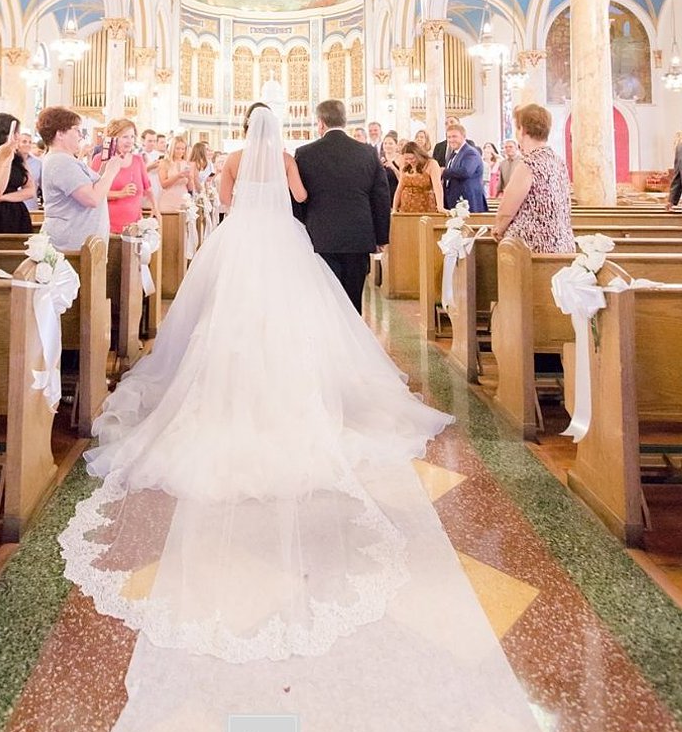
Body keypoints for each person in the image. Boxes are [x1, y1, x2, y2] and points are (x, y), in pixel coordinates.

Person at [60, 102, 453, 662]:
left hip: (240, 239)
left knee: (227, 319)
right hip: (282, 242)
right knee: (293, 317)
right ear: (278, 130)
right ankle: (292, 391)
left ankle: (224, 390)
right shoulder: (289, 157)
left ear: (245, 128)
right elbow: (297, 200)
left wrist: (246, 197)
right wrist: (283, 192)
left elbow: (222, 201)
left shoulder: (236, 158)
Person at [291, 99, 391, 314]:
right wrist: (381, 236)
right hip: (358, 235)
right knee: (353, 298)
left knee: (325, 298)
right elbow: (381, 197)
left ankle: (330, 344)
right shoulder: (367, 152)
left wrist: (302, 230)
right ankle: (355, 343)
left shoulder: (305, 153)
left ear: (321, 122)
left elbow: (297, 199)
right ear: (344, 121)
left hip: (320, 235)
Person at [37, 106, 123, 250]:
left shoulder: (65, 160)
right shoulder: (61, 162)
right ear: (60, 134)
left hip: (81, 243)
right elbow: (92, 199)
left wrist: (105, 168)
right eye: (76, 130)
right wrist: (111, 172)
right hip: (73, 245)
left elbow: (93, 187)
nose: (80, 135)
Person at [491, 104, 574, 252]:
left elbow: (506, 211)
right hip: (562, 244)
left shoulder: (528, 164)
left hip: (531, 249)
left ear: (522, 129)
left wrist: (498, 229)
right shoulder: (558, 160)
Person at [103, 117, 158, 235]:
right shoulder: (102, 160)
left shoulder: (138, 160)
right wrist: (120, 193)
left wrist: (156, 208)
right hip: (108, 227)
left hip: (135, 226)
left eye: (132, 137)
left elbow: (148, 188)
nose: (130, 141)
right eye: (125, 137)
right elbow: (94, 194)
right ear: (113, 138)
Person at [392, 140, 444, 213]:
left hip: (425, 206)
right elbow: (400, 187)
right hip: (405, 207)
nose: (409, 161)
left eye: (412, 158)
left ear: (418, 155)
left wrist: (440, 207)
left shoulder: (431, 164)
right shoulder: (404, 164)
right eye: (406, 159)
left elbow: (437, 187)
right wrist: (394, 208)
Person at [157, 134, 195, 213]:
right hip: (168, 201)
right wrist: (178, 176)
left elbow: (190, 188)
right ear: (172, 148)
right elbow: (163, 184)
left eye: (183, 149)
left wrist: (190, 178)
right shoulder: (164, 163)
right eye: (177, 148)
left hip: (183, 200)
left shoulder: (187, 164)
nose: (180, 151)